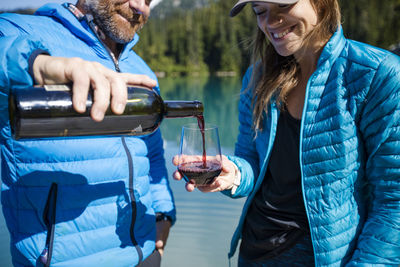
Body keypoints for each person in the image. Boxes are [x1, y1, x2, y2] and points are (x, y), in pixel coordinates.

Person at [173, 0, 400, 266]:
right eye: (260, 11)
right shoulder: (256, 78)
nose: (270, 22)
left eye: (282, 6)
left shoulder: (377, 75)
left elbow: (393, 201)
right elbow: (252, 160)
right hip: (254, 253)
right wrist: (232, 175)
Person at [0, 1, 175, 266]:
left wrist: (163, 217)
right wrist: (36, 63)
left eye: (149, 0)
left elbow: (153, 157)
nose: (140, 6)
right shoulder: (23, 31)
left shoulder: (142, 71)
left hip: (145, 256)